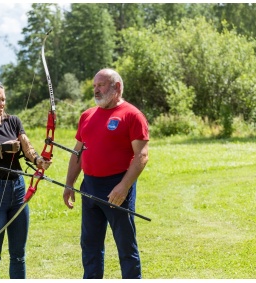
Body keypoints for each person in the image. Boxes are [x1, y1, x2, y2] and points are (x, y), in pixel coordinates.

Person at [63, 68, 149, 279]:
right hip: (89, 186)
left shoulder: (132, 115)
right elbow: (78, 153)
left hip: (117, 187)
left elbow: (141, 156)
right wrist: (69, 183)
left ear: (116, 87)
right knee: (90, 245)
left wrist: (124, 186)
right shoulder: (87, 115)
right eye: (94, 86)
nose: (96, 90)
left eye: (101, 85)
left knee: (125, 246)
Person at [0, 79, 52, 279]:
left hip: (18, 190)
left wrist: (39, 160)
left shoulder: (13, 121)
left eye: (3, 99)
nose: (1, 103)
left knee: (18, 255)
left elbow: (26, 146)